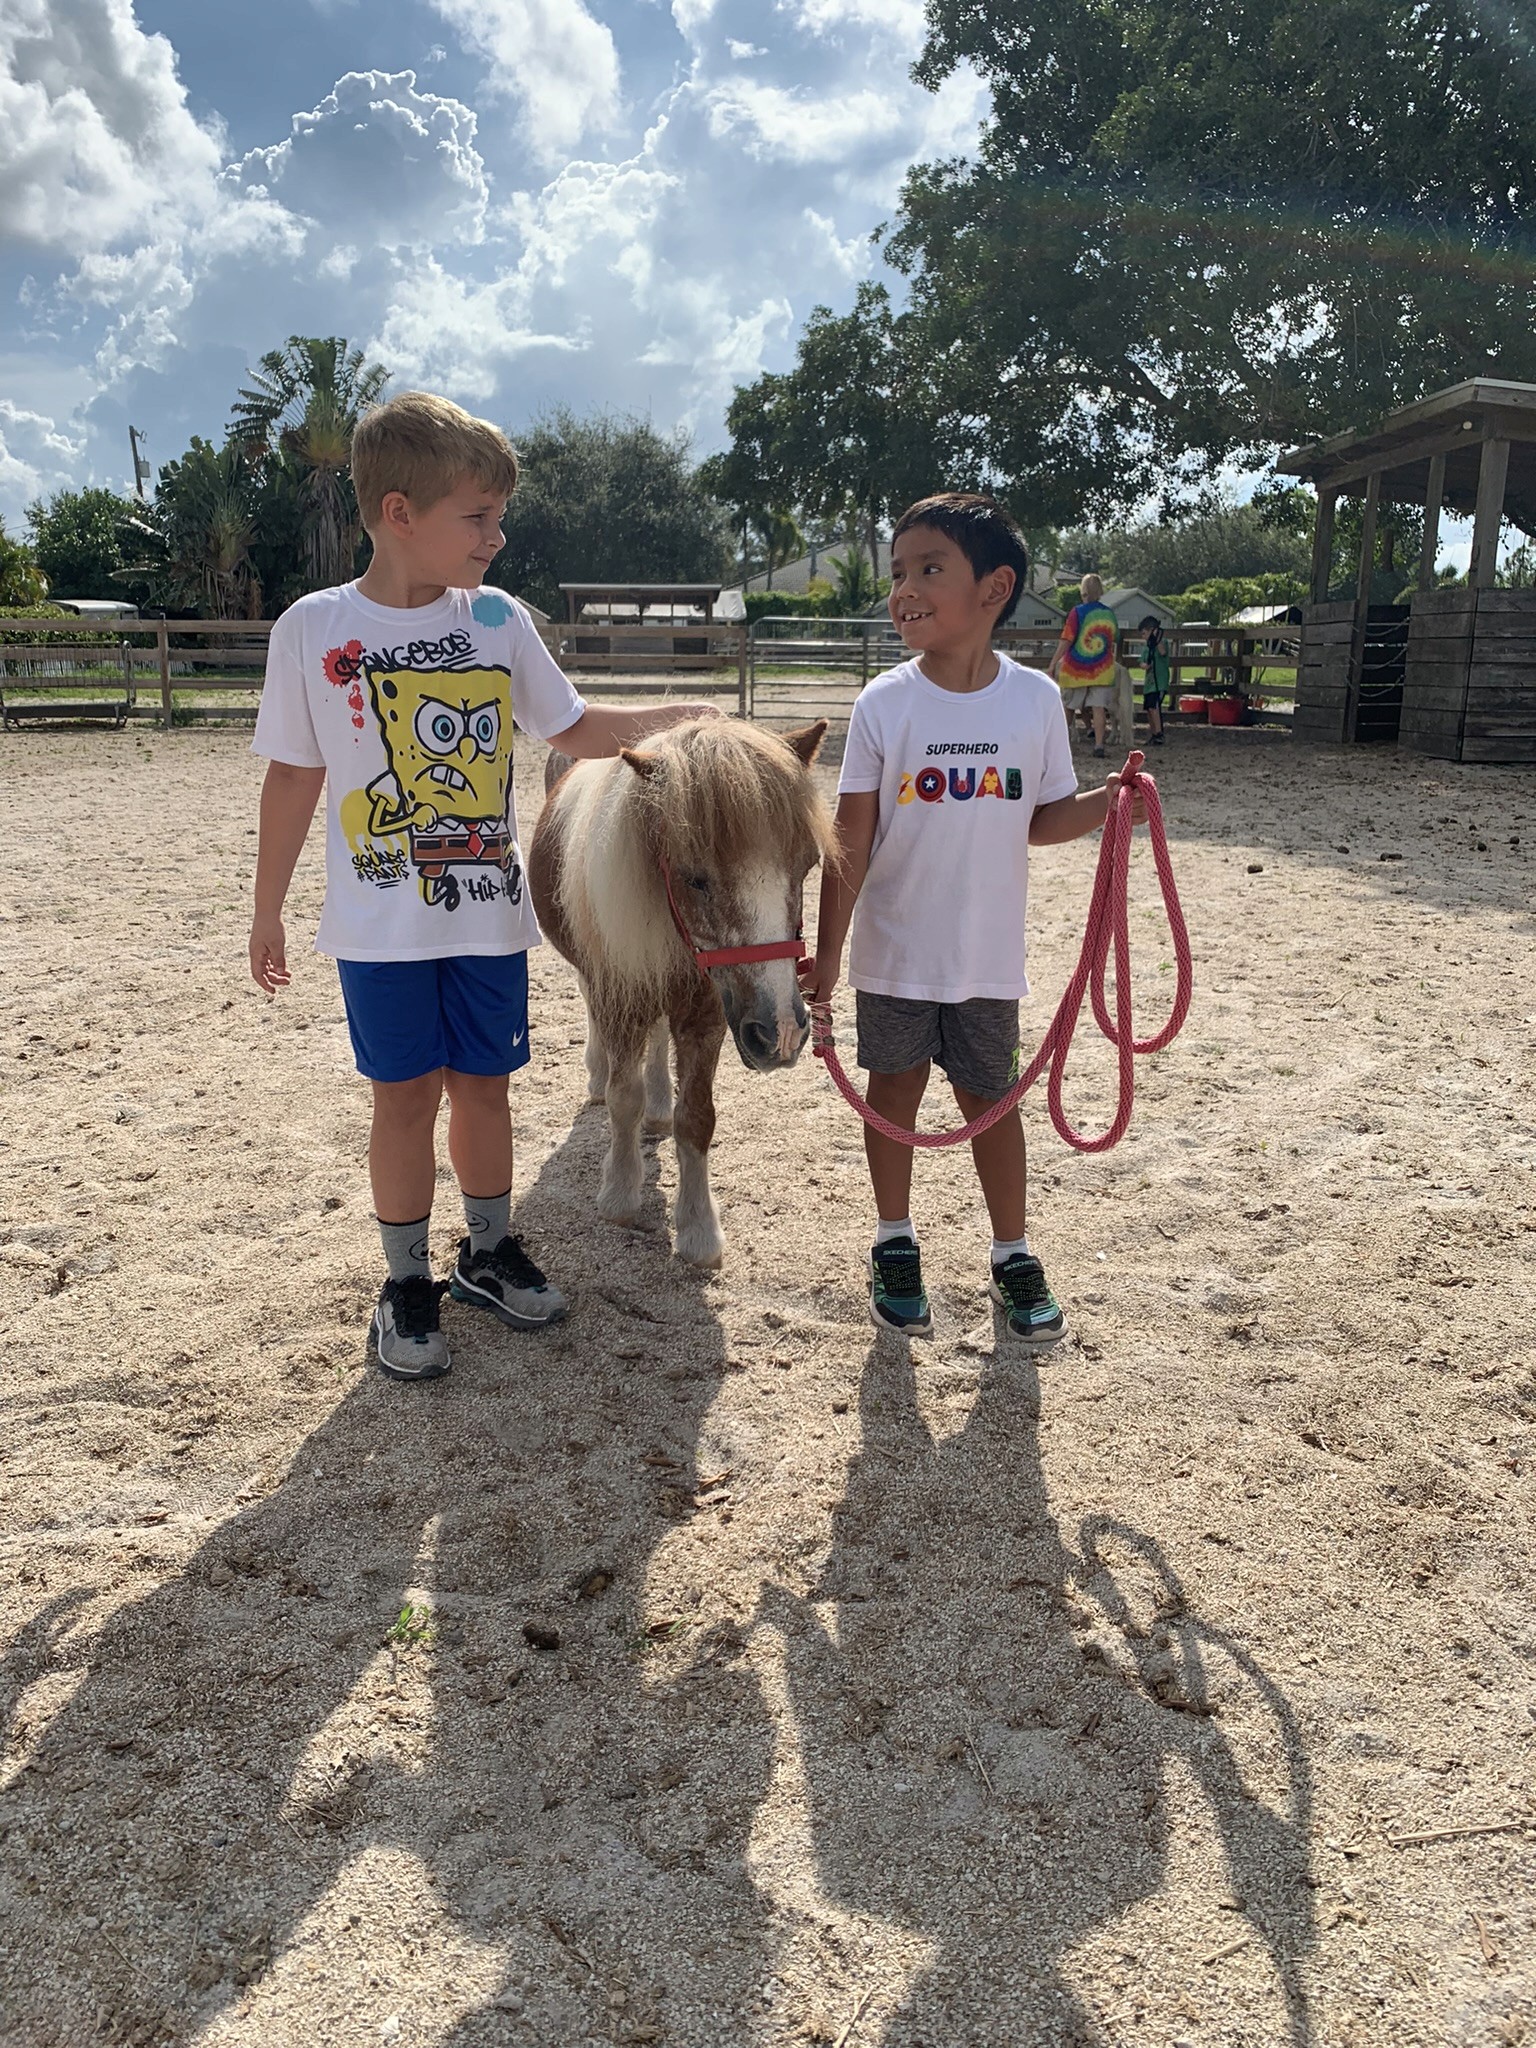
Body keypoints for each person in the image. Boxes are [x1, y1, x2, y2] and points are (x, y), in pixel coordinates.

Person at [249, 390, 720, 1384]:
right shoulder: (311, 628)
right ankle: (405, 1279)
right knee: (404, 1098)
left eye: (500, 515)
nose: (497, 537)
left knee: (487, 1091)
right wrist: (267, 908)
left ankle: (489, 1252)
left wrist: (676, 716)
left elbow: (577, 727)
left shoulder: (500, 622)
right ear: (397, 513)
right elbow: (294, 775)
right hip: (378, 927)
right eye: (478, 516)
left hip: (485, 919)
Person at [800, 493, 1145, 1345]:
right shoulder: (885, 704)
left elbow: (1043, 817)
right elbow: (850, 840)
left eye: (928, 570)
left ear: (994, 588)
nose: (904, 590)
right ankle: (894, 1239)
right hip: (896, 953)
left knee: (993, 1099)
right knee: (896, 1095)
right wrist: (829, 956)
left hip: (987, 955)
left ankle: (1013, 1252)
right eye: (899, 574)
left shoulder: (1033, 702)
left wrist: (1112, 803)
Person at [1049, 571, 1121, 757]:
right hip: (1102, 669)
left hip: (1076, 669)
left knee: (1069, 706)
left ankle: (1062, 746)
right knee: (1098, 708)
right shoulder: (1109, 614)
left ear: (1084, 591)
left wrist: (1053, 663)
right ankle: (1099, 745)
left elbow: (1066, 639)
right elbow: (1115, 637)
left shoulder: (1077, 612)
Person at [1140, 613, 1171, 745]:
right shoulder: (1146, 647)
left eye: (1144, 633)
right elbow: (1141, 661)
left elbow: (1163, 652)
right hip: (1149, 684)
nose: (1143, 636)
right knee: (1149, 708)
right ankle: (1154, 732)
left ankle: (1159, 733)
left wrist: (1156, 638)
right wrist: (1144, 665)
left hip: (1159, 682)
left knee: (1155, 707)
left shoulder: (1162, 643)